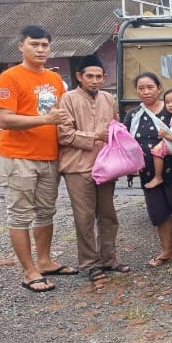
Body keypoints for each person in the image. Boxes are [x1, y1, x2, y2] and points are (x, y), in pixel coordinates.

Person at [0, 25, 75, 293]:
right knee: (19, 216)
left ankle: (45, 261)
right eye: (34, 44)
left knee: (46, 212)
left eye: (45, 45)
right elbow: (5, 120)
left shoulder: (54, 79)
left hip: (49, 156)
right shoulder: (10, 78)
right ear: (21, 46)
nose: (40, 50)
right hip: (19, 158)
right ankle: (29, 272)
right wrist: (46, 120)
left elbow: (60, 114)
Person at [58, 54, 129, 283]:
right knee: (84, 218)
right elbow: (64, 135)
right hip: (77, 167)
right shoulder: (68, 99)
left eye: (99, 76)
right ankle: (90, 264)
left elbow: (115, 129)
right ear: (79, 76)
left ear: (104, 77)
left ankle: (109, 259)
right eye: (90, 76)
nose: (95, 80)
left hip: (105, 165)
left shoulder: (108, 98)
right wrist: (95, 136)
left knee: (108, 215)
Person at [124, 72, 172, 267]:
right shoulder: (133, 115)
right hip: (148, 173)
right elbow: (126, 141)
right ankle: (166, 251)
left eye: (150, 87)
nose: (146, 91)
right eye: (141, 88)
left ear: (159, 88)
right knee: (159, 214)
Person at [144, 88, 172, 189]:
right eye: (167, 102)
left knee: (156, 151)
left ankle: (158, 177)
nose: (170, 105)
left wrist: (165, 135)